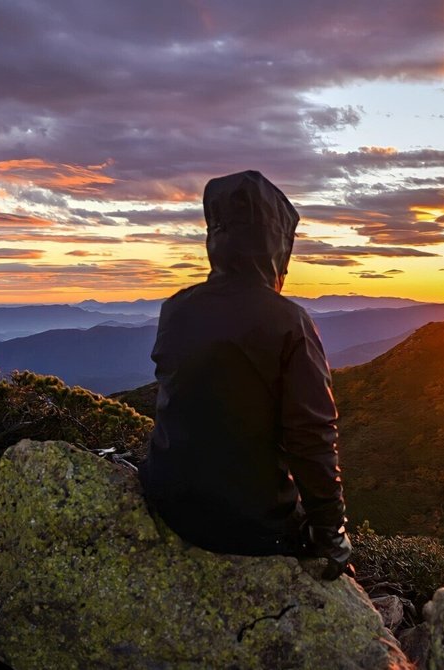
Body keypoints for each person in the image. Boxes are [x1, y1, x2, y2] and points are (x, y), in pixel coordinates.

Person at [140, 170, 352, 578]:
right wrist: (330, 528)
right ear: (275, 244)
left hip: (167, 500)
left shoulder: (176, 309)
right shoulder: (290, 323)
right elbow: (311, 436)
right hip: (250, 526)